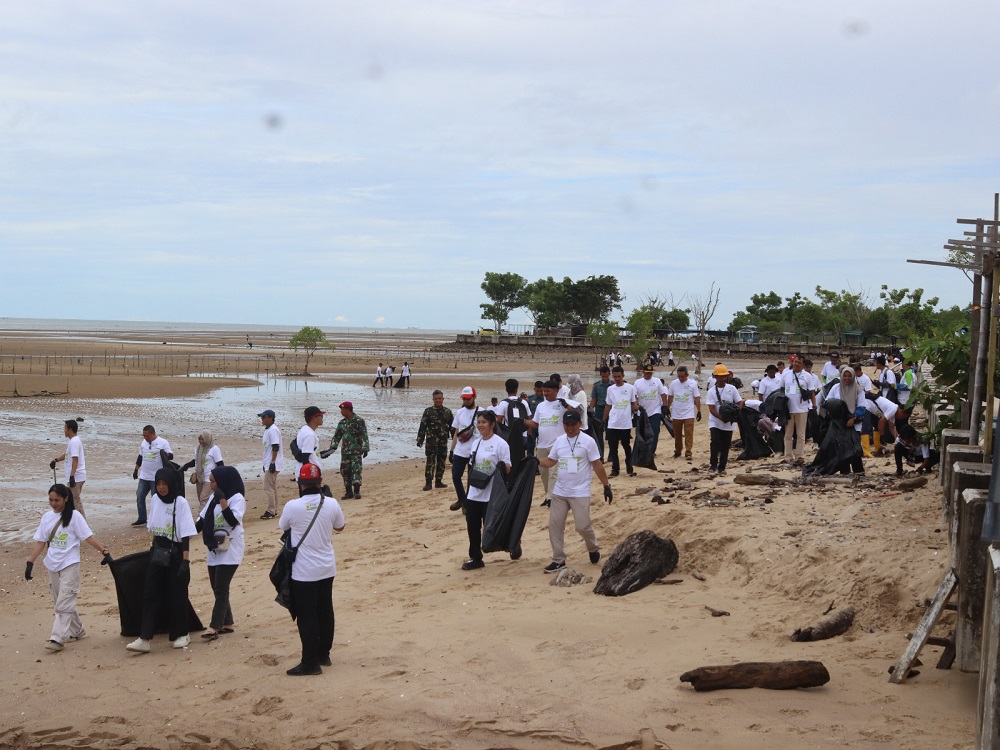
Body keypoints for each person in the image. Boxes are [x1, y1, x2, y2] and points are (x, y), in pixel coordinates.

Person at [279, 463, 346, 675]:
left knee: (307, 615)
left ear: (300, 483)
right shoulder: (332, 503)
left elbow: (283, 526)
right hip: (326, 567)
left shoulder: (293, 506)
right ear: (320, 482)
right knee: (325, 610)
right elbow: (340, 526)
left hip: (304, 570)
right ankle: (323, 654)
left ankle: (310, 663)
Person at [26, 484, 109, 652]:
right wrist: (30, 563)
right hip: (52, 564)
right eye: (50, 500)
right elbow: (41, 542)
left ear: (66, 499)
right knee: (60, 600)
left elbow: (88, 536)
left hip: (70, 563)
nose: (53, 503)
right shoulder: (47, 517)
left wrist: (103, 551)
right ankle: (77, 630)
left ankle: (57, 638)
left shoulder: (75, 516)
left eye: (57, 500)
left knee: (64, 602)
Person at [126, 467, 197, 654]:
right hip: (158, 551)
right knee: (151, 594)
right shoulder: (155, 499)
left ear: (171, 483)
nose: (161, 487)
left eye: (164, 483)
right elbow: (154, 528)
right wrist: (152, 550)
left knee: (177, 594)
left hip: (176, 552)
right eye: (158, 484)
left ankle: (181, 633)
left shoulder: (180, 502)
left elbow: (186, 534)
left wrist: (185, 562)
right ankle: (144, 638)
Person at [537, 410, 612, 573]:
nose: (570, 428)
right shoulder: (559, 441)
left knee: (582, 526)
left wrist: (606, 486)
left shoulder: (588, 441)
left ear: (580, 424)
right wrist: (535, 461)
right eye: (567, 424)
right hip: (560, 491)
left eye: (573, 424)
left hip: (580, 492)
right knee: (555, 525)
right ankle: (558, 560)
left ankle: (593, 548)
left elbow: (597, 465)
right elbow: (551, 461)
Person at [196, 465, 245, 639]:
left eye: (213, 481)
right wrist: (185, 536)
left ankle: (214, 626)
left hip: (230, 548)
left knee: (222, 588)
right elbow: (202, 521)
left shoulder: (237, 498)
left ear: (223, 481)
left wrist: (223, 500)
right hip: (214, 547)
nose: (211, 485)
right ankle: (227, 623)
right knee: (216, 587)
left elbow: (232, 520)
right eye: (210, 481)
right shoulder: (213, 498)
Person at [460, 411, 511, 571]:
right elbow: (471, 465)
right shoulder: (476, 443)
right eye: (479, 422)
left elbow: (508, 468)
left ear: (492, 424)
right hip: (475, 492)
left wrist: (501, 466)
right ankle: (476, 557)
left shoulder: (501, 444)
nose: (480, 425)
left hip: (491, 493)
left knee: (493, 526)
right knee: (472, 526)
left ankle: (513, 544)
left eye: (484, 422)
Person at [525, 380, 582, 507]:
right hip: (541, 444)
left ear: (556, 391)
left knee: (554, 473)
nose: (545, 393)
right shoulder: (540, 406)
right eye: (544, 391)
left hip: (557, 444)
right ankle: (548, 495)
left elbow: (577, 414)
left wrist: (567, 406)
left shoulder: (562, 403)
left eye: (548, 391)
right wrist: (523, 422)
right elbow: (535, 423)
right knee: (544, 473)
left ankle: (552, 498)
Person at [321, 401, 369, 500]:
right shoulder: (342, 423)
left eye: (342, 410)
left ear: (348, 410)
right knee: (345, 471)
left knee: (356, 470)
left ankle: (356, 491)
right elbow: (337, 436)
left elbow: (364, 435)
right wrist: (332, 448)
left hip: (356, 451)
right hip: (345, 452)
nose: (341, 412)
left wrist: (365, 448)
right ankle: (348, 492)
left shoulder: (359, 421)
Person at [825, 365, 867, 475]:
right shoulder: (836, 388)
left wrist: (852, 418)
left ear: (853, 376)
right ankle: (845, 472)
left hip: (853, 424)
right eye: (845, 376)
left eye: (849, 376)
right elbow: (828, 402)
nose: (847, 378)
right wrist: (830, 412)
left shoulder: (858, 390)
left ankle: (858, 471)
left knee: (854, 448)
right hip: (839, 424)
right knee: (841, 448)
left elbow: (862, 407)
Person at [706, 364, 744, 474]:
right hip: (715, 421)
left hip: (729, 423)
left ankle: (722, 467)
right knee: (715, 441)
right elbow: (711, 408)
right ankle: (713, 464)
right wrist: (721, 417)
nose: (723, 379)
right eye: (720, 376)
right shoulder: (711, 391)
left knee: (726, 445)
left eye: (725, 376)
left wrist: (736, 413)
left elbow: (740, 402)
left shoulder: (732, 389)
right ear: (715, 377)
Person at [131, 425, 173, 527]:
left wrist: (165, 455)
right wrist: (136, 470)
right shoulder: (144, 443)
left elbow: (171, 456)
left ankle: (157, 518)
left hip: (156, 477)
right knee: (140, 496)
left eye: (147, 436)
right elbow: (140, 457)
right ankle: (142, 518)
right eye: (144, 436)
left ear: (153, 433)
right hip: (144, 476)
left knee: (156, 499)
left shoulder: (163, 442)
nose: (145, 438)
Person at [448, 386, 480, 511]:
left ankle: (467, 504)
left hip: (475, 451)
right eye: (464, 399)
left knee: (471, 479)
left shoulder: (481, 412)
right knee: (456, 476)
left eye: (468, 399)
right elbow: (457, 432)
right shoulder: (460, 412)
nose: (466, 401)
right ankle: (462, 499)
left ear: (474, 397)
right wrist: (452, 450)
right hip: (460, 450)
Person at [603, 366, 638, 478]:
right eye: (615, 377)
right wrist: (603, 420)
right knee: (613, 447)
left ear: (623, 376)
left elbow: (633, 403)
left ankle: (629, 467)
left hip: (625, 423)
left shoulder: (630, 388)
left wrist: (638, 412)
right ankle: (615, 469)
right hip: (613, 423)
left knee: (626, 445)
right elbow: (608, 405)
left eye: (619, 376)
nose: (617, 379)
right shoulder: (610, 389)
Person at [779, 357, 815, 465]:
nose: (797, 364)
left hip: (802, 408)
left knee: (801, 434)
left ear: (803, 365)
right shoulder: (785, 374)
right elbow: (781, 390)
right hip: (788, 409)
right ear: (792, 362)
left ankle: (799, 456)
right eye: (795, 362)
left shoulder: (807, 376)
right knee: (788, 434)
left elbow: (812, 391)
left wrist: (814, 404)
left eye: (799, 362)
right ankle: (788, 457)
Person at [417, 390, 453, 491]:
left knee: (441, 461)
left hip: (443, 441)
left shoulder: (447, 412)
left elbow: (453, 427)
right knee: (430, 462)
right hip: (431, 442)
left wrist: (456, 440)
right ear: (433, 399)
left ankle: (438, 481)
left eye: (439, 398)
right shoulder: (428, 411)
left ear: (443, 399)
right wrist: (420, 439)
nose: (438, 400)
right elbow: (423, 426)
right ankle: (428, 483)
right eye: (436, 399)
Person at [50, 420, 87, 518]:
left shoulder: (74, 442)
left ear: (70, 430)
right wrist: (56, 460)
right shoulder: (73, 441)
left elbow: (75, 459)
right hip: (76, 476)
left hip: (76, 477)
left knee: (75, 501)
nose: (64, 430)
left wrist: (72, 476)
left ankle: (83, 524)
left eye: (65, 428)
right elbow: (67, 455)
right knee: (71, 501)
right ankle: (72, 521)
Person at [180, 430, 224, 509]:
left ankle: (200, 516)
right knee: (201, 499)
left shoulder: (214, 449)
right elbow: (194, 461)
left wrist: (217, 478)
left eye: (203, 439)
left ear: (208, 438)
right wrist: (185, 466)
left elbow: (220, 464)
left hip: (209, 479)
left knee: (203, 499)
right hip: (199, 478)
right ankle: (210, 513)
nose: (201, 441)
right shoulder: (197, 448)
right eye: (199, 439)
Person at [666, 365, 701, 460]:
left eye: (683, 376)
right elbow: (670, 396)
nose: (681, 378)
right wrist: (667, 408)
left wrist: (699, 410)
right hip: (676, 413)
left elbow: (697, 397)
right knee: (677, 434)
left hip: (689, 413)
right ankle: (677, 451)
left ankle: (688, 452)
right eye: (679, 376)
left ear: (687, 375)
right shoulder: (673, 383)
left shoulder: (693, 384)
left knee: (689, 433)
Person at [634, 365, 668, 457]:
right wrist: (636, 408)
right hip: (642, 412)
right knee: (642, 432)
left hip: (655, 411)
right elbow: (635, 396)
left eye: (650, 373)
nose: (649, 375)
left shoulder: (657, 381)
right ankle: (643, 450)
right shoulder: (637, 383)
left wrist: (665, 406)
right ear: (643, 372)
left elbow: (663, 394)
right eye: (647, 373)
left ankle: (651, 451)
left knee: (655, 431)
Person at [258, 409, 283, 519]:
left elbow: (275, 447)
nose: (262, 419)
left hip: (273, 463)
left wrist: (272, 462)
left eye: (264, 417)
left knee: (268, 487)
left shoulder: (273, 430)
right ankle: (274, 509)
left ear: (270, 418)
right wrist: (266, 464)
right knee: (272, 487)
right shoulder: (268, 430)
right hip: (269, 462)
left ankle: (271, 510)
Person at [589, 366, 612, 461]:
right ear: (600, 375)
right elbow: (593, 400)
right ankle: (600, 456)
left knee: (610, 434)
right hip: (599, 410)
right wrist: (589, 411)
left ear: (609, 375)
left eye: (606, 376)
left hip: (611, 411)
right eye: (603, 376)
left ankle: (611, 456)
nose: (605, 378)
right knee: (599, 434)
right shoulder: (596, 386)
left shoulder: (613, 385)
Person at [295, 406, 325, 475]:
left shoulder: (304, 429)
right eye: (321, 416)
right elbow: (305, 456)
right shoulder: (310, 434)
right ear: (314, 418)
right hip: (309, 473)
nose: (322, 418)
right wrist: (308, 474)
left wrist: (319, 454)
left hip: (303, 471)